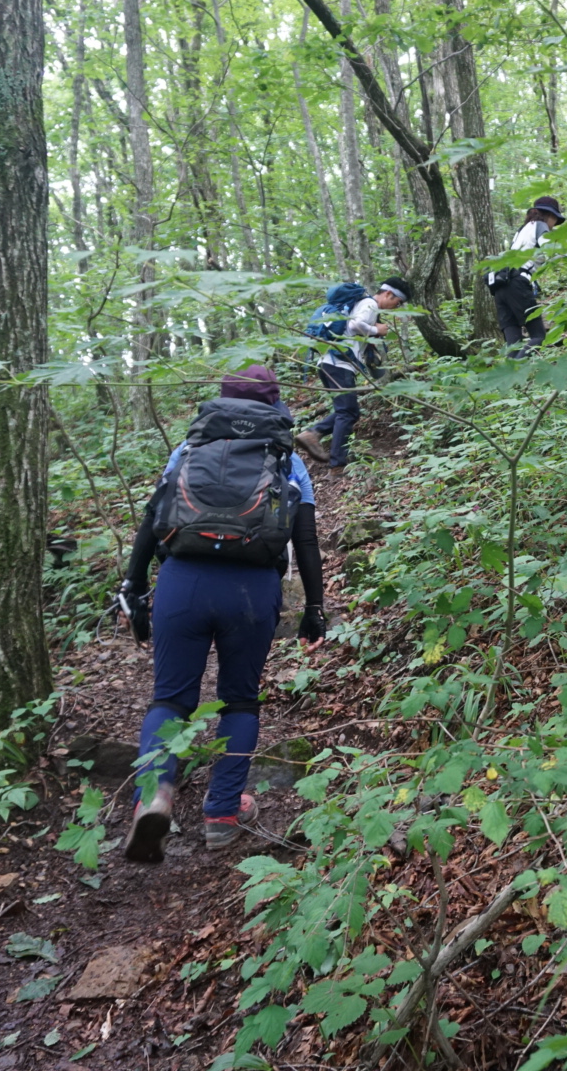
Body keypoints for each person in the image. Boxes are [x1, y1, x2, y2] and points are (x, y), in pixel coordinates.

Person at [118, 364, 326, 862]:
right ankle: (223, 813)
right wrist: (314, 608)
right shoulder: (287, 459)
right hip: (252, 589)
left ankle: (155, 794)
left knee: (170, 698)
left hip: (181, 582)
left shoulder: (189, 449)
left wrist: (133, 586)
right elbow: (306, 540)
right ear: (274, 405)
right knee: (240, 700)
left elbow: (152, 520)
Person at [295, 276, 413, 473]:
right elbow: (355, 326)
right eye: (398, 302)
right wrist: (377, 329)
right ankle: (336, 463)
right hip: (338, 363)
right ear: (388, 294)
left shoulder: (361, 304)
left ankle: (314, 435)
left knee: (348, 411)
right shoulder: (369, 304)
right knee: (347, 412)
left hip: (329, 362)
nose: (396, 307)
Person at [486, 196, 566, 358]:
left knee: (513, 343)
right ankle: (518, 367)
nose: (554, 224)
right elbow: (551, 251)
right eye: (555, 220)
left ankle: (511, 373)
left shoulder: (522, 230)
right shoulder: (541, 225)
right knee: (538, 336)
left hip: (501, 285)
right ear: (550, 215)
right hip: (517, 283)